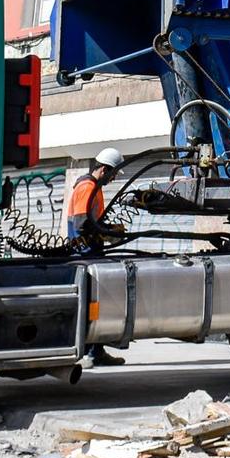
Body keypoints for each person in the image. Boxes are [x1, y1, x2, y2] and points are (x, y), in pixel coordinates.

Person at [65, 148, 127, 366]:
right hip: (86, 253)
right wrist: (108, 233)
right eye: (112, 174)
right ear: (104, 169)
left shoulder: (93, 187)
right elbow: (82, 225)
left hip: (91, 251)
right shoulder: (87, 187)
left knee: (96, 304)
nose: (112, 179)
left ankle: (96, 351)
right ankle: (90, 352)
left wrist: (107, 230)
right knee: (92, 304)